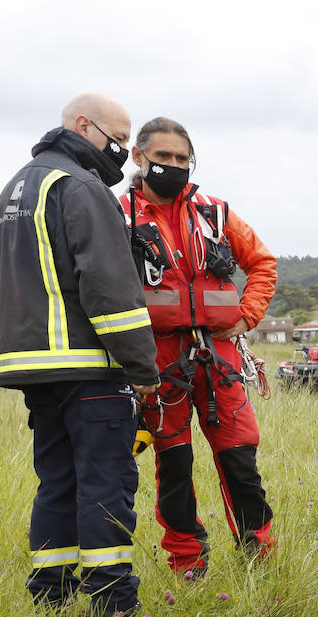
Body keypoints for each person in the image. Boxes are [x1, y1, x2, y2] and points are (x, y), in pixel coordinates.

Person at [0, 92, 160, 617]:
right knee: (107, 480)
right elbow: (110, 289)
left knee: (56, 481)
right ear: (84, 126)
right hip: (89, 369)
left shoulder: (9, 191)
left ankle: (50, 597)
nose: (121, 152)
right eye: (118, 140)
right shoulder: (81, 187)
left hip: (33, 369)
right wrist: (144, 370)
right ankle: (113, 604)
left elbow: (3, 290)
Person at [121, 117, 278, 579]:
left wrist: (247, 315)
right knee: (174, 466)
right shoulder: (117, 216)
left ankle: (259, 555)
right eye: (163, 157)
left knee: (240, 460)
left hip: (220, 357)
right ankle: (187, 563)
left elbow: (262, 262)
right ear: (138, 156)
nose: (173, 165)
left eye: (182, 158)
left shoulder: (215, 212)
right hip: (157, 359)